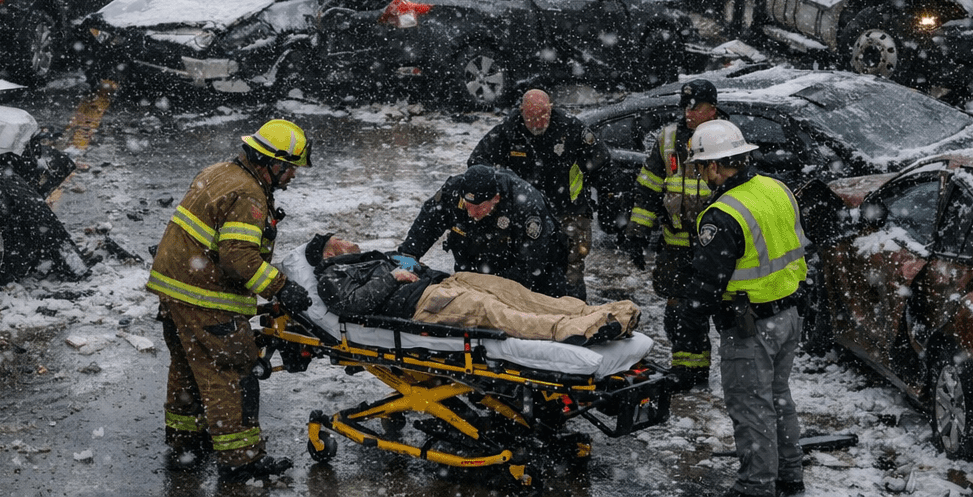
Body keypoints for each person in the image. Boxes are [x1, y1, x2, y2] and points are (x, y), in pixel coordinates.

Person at [145, 119, 315, 483]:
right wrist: (281, 288)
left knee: (189, 366)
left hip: (175, 291)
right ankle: (241, 459)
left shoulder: (220, 172)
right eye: (290, 170)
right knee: (234, 370)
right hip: (204, 296)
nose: (293, 178)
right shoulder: (249, 194)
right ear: (273, 163)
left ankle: (186, 442)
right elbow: (239, 258)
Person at [671, 120, 809, 497]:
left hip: (750, 327)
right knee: (778, 398)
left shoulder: (722, 215)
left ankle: (756, 487)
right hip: (789, 314)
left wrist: (688, 330)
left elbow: (706, 285)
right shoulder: (776, 189)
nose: (700, 175)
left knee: (752, 408)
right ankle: (789, 476)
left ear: (715, 166)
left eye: (700, 167)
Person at [304, 234, 640, 344]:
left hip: (443, 282)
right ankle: (577, 330)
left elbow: (412, 267)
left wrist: (410, 267)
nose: (349, 240)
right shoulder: (331, 277)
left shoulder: (373, 259)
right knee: (490, 310)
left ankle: (601, 313)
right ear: (328, 252)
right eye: (340, 239)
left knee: (515, 292)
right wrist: (391, 278)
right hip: (422, 303)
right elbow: (351, 305)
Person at [622, 78, 725, 373]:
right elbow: (648, 189)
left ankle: (713, 371)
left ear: (713, 110)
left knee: (713, 312)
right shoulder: (668, 139)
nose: (688, 113)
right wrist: (637, 234)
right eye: (685, 107)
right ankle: (685, 370)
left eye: (695, 108)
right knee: (677, 313)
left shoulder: (728, 139)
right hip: (675, 243)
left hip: (715, 246)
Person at [468, 88, 608, 299]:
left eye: (543, 115)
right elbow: (477, 162)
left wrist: (610, 201)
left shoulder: (570, 128)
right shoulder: (509, 130)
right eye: (531, 117)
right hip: (526, 212)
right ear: (521, 111)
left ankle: (575, 316)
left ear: (551, 109)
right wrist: (503, 189)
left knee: (570, 273)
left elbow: (602, 164)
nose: (538, 122)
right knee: (530, 268)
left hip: (569, 211)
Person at [396, 164, 568, 296]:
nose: (471, 214)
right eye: (467, 206)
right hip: (475, 271)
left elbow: (532, 264)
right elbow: (426, 226)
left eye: (479, 208)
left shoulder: (526, 205)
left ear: (496, 199)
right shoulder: (453, 192)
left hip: (534, 279)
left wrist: (489, 287)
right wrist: (407, 258)